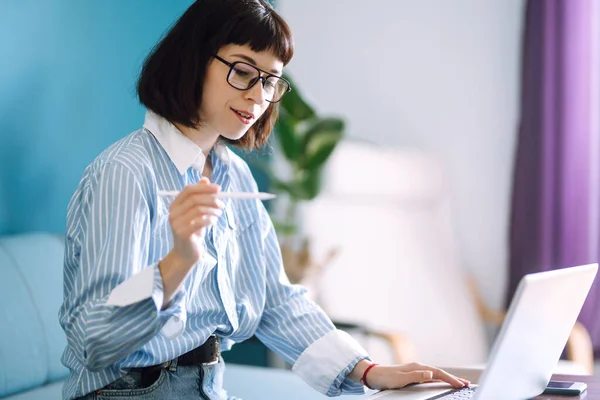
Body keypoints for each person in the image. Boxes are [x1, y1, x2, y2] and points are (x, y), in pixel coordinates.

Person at [58, 0, 470, 399]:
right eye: (242, 71)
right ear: (192, 59)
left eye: (270, 80)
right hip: (128, 391)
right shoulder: (124, 172)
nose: (258, 96)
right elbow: (94, 340)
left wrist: (367, 370)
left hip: (208, 385)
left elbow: (272, 297)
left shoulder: (232, 174)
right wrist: (176, 264)